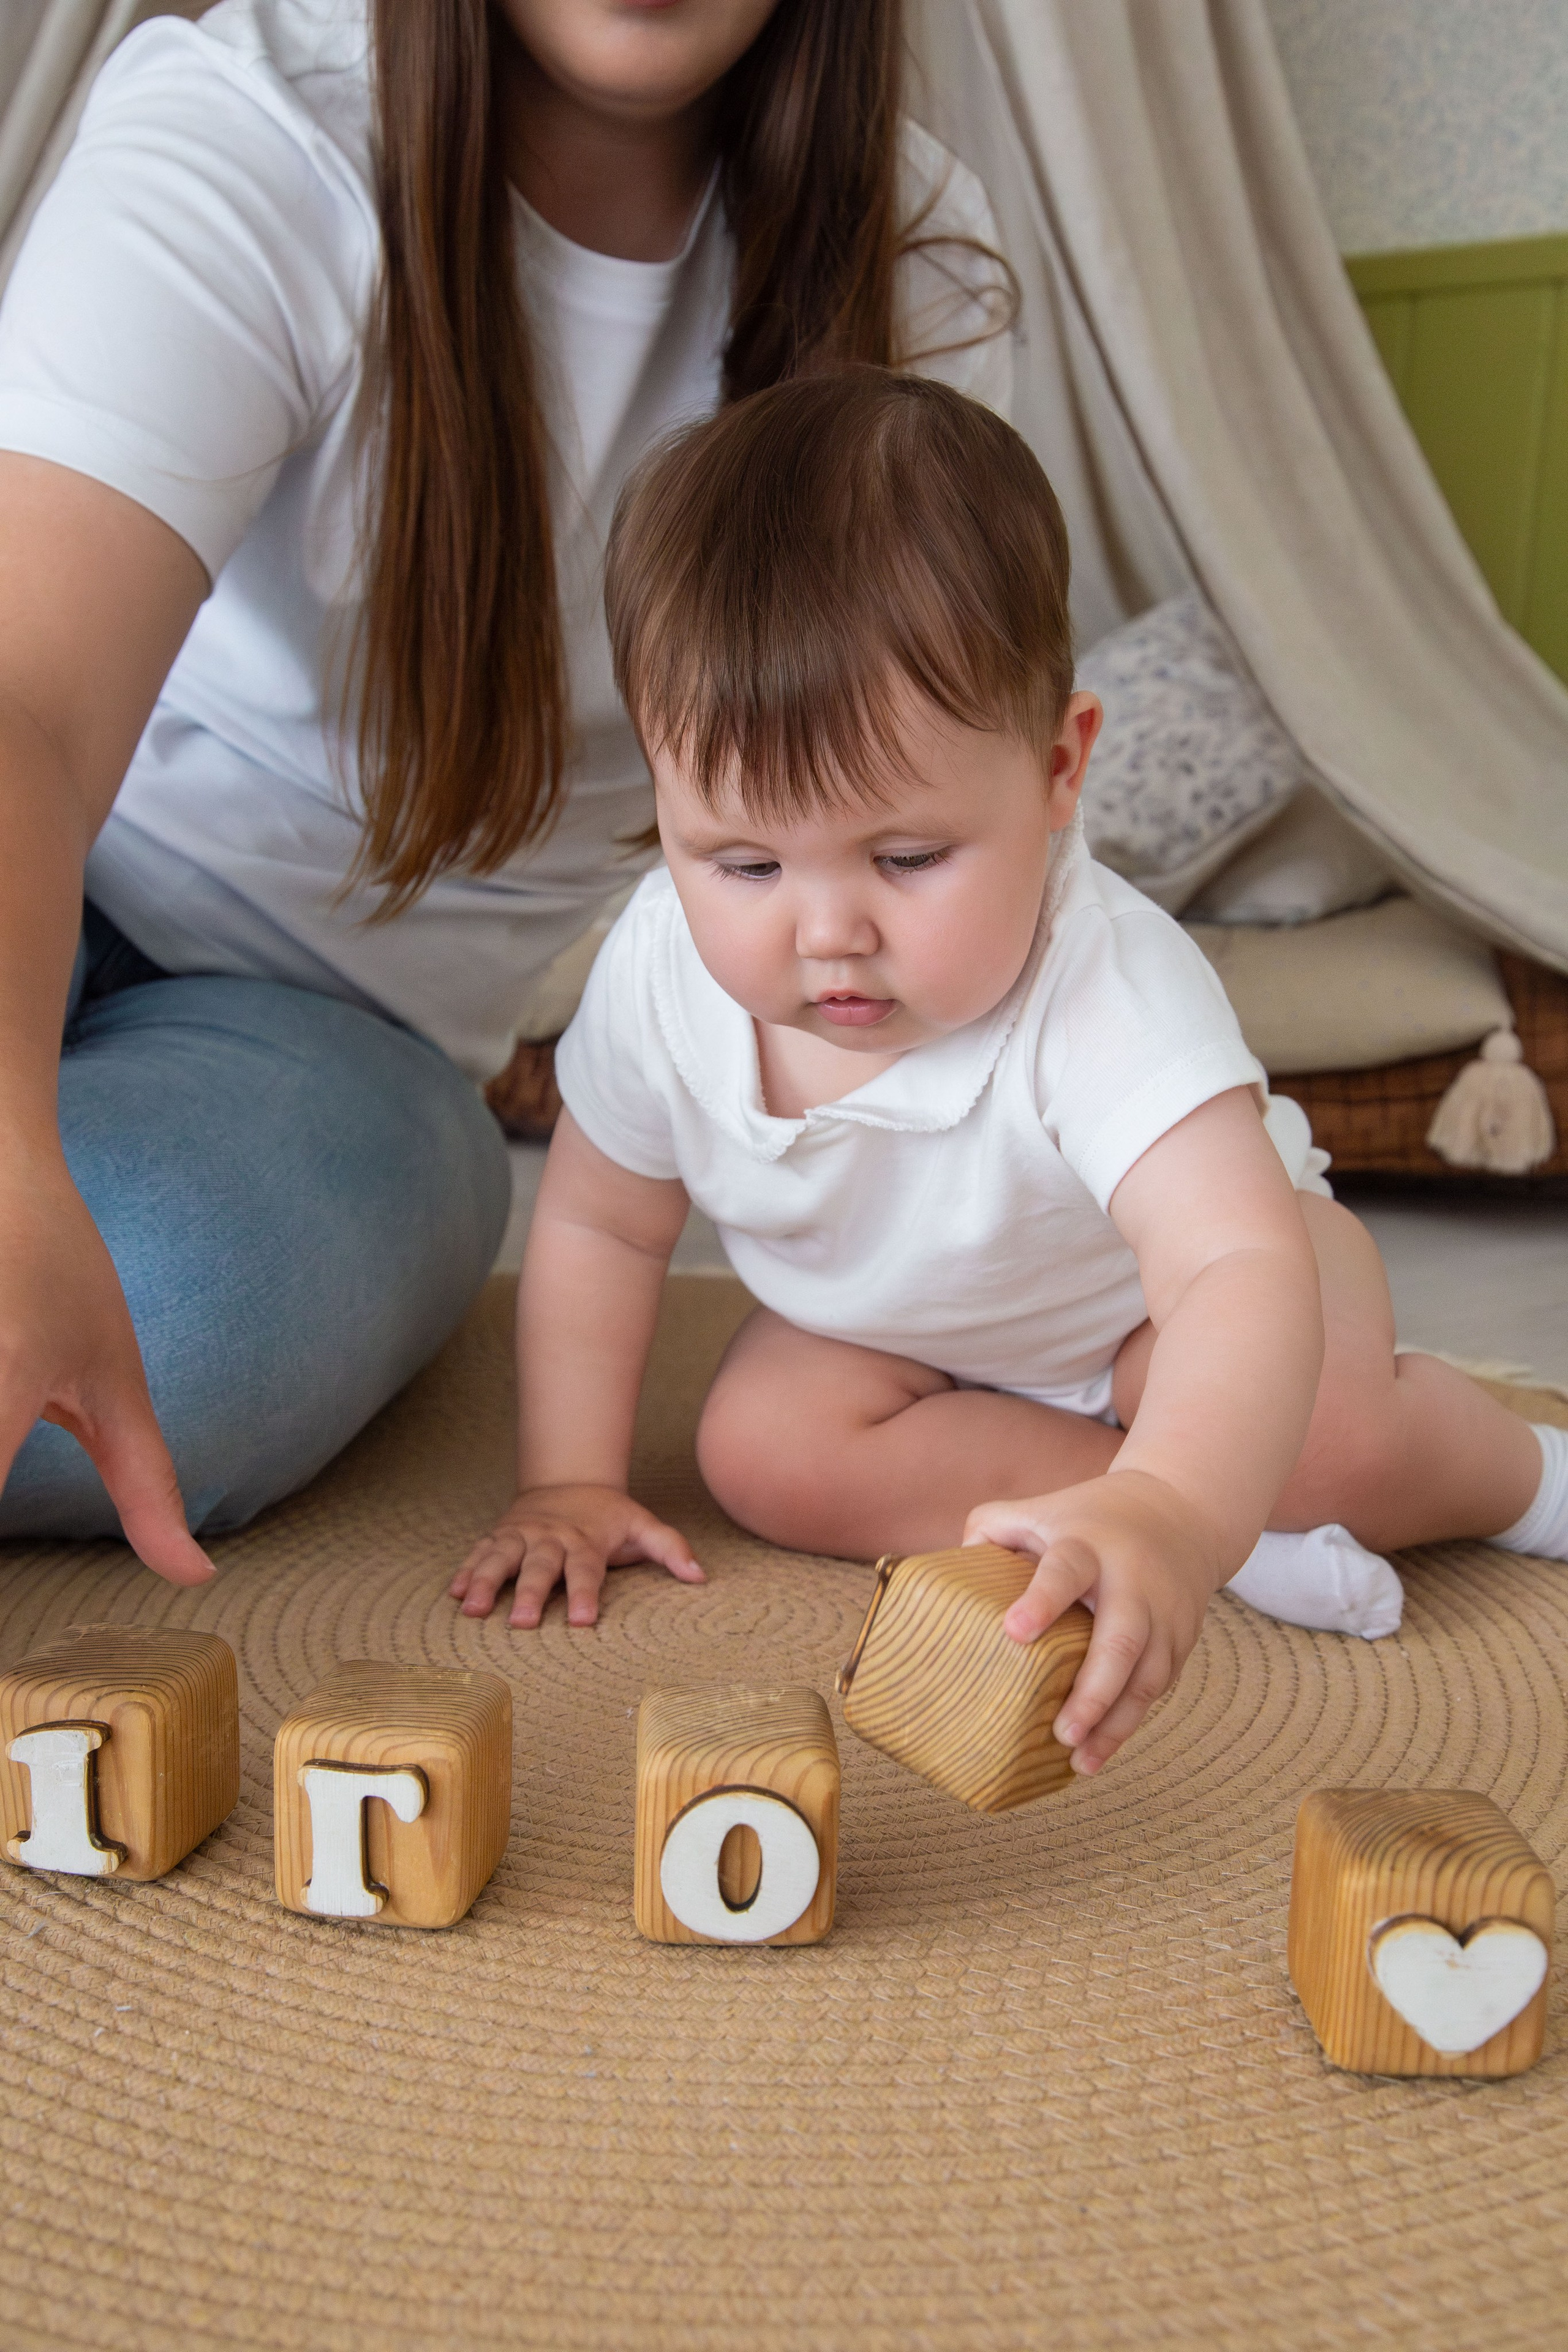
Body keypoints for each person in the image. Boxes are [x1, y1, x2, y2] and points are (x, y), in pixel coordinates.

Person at [0, 0, 1011, 1572]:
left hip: (334, 1030)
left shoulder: (915, 271)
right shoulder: (259, 133)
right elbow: (26, 704)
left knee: (171, 1322)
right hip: (48, 847)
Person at [451, 371, 1568, 1776]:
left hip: (1160, 1305)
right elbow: (602, 1222)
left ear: (1056, 771)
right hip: (896, 1327)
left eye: (906, 857)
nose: (826, 931)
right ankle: (1194, 1522)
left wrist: (1179, 1490)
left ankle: (1509, 1478)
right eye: (740, 862)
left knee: (1314, 1430)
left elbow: (1231, 1269)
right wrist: (567, 1479)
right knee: (760, 1455)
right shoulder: (660, 971)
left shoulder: (1101, 983)